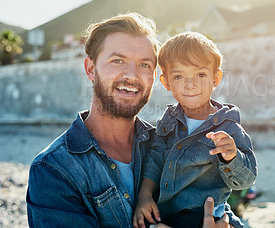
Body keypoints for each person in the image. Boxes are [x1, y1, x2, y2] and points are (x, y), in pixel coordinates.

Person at [26, 13, 229, 228]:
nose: (131, 76)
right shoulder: (53, 169)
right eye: (117, 61)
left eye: (144, 65)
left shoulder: (171, 143)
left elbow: (221, 210)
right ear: (90, 69)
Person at [133, 32, 257, 228]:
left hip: (205, 215)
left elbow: (245, 180)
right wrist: (145, 196)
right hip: (166, 212)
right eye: (179, 76)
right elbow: (154, 161)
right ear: (166, 82)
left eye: (200, 74)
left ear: (215, 78)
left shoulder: (228, 127)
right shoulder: (168, 121)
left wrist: (231, 157)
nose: (190, 84)